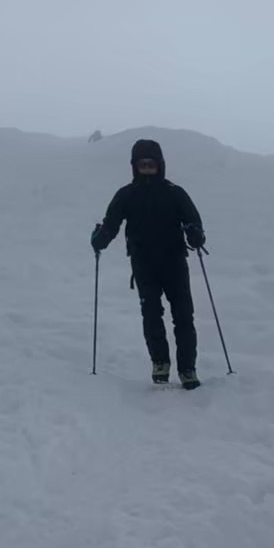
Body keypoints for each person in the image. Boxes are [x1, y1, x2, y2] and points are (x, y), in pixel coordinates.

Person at [90, 138, 206, 389]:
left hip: (174, 261)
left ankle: (188, 368)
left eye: (151, 163)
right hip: (143, 264)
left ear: (159, 165)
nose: (146, 167)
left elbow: (192, 219)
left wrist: (195, 232)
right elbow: (112, 223)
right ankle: (160, 363)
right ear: (134, 166)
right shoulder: (126, 195)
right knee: (152, 315)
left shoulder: (174, 192)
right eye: (141, 164)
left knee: (183, 316)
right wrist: (101, 239)